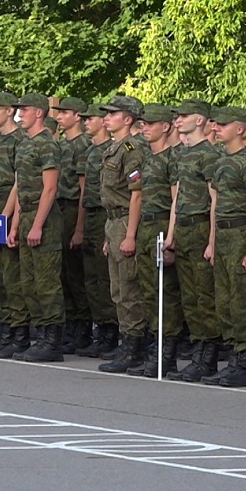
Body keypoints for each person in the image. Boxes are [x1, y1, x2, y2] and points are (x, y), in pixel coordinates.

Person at [199, 106, 246, 388]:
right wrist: (212, 242)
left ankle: (243, 362)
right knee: (224, 301)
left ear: (239, 129)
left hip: (240, 231)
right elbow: (215, 205)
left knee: (242, 301)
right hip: (223, 234)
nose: (217, 128)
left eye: (223, 125)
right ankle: (232, 356)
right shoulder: (221, 162)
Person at [166, 99, 221, 381]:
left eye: (184, 115)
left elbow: (215, 199)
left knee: (204, 295)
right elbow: (177, 199)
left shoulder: (207, 154)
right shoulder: (183, 153)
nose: (178, 120)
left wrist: (212, 240)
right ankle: (198, 351)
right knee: (189, 296)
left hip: (200, 227)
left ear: (199, 120)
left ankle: (208, 356)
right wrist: (172, 235)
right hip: (185, 228)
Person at [7, 93, 65, 361]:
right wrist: (16, 225)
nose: (20, 115)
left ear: (39, 113)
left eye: (25, 110)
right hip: (27, 213)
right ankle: (39, 334)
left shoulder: (47, 144)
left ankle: (52, 341)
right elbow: (22, 189)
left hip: (45, 219)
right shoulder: (24, 144)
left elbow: (49, 188)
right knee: (28, 282)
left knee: (46, 282)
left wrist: (38, 226)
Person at [128, 104, 183, 377]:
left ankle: (167, 352)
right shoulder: (145, 159)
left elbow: (176, 200)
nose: (145, 128)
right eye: (143, 124)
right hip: (147, 227)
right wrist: (131, 234)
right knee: (149, 291)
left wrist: (171, 238)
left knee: (166, 293)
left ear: (166, 126)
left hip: (163, 223)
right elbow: (136, 197)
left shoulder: (173, 158)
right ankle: (155, 345)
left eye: (150, 123)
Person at [97, 95, 147, 372]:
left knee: (130, 288)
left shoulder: (132, 148)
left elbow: (136, 195)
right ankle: (127, 341)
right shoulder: (114, 147)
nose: (107, 117)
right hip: (114, 221)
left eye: (112, 114)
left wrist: (129, 234)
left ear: (128, 119)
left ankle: (135, 346)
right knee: (118, 289)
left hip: (128, 220)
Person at [76, 104, 119, 358]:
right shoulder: (91, 150)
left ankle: (112, 331)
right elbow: (84, 191)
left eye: (90, 118)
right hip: (91, 213)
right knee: (92, 278)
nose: (85, 122)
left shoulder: (111, 150)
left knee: (106, 278)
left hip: (107, 214)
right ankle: (101, 327)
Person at [52, 97, 92, 353]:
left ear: (77, 115)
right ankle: (70, 325)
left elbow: (83, 190)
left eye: (64, 112)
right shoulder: (60, 144)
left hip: (73, 208)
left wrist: (79, 227)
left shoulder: (82, 145)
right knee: (63, 272)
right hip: (59, 208)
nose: (59, 117)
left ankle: (83, 329)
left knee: (77, 274)